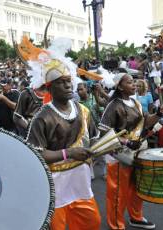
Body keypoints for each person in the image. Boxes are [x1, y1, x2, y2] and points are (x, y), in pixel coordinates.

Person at [26, 58, 101, 230]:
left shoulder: (83, 110)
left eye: (69, 81)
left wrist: (97, 149)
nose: (68, 86)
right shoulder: (42, 117)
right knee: (56, 227)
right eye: (62, 83)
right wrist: (69, 153)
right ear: (50, 87)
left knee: (91, 222)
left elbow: (95, 136)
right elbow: (35, 154)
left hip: (80, 181)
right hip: (55, 184)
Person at [99, 73, 163, 230]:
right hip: (119, 155)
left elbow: (145, 122)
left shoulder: (135, 102)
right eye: (130, 82)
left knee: (137, 187)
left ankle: (136, 217)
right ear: (120, 87)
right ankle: (116, 224)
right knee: (118, 193)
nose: (134, 84)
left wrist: (158, 115)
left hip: (137, 151)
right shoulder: (113, 105)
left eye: (134, 81)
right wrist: (127, 141)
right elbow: (103, 132)